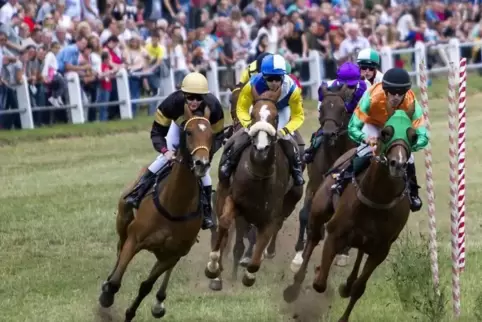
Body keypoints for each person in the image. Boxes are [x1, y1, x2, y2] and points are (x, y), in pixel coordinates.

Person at [124, 72, 225, 229]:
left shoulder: (214, 107)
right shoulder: (171, 103)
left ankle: (206, 212)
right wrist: (165, 151)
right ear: (183, 94)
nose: (194, 101)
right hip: (178, 127)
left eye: (199, 98)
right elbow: (156, 133)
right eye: (190, 97)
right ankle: (138, 192)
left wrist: (206, 153)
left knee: (205, 173)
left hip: (202, 135)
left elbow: (218, 136)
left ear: (205, 97)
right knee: (163, 160)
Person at [331, 68, 428, 212]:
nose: (396, 97)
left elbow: (423, 136)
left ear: (406, 92)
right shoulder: (371, 97)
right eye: (392, 92)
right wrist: (365, 138)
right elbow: (352, 127)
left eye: (400, 93)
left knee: (410, 158)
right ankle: (342, 180)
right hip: (374, 124)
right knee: (363, 152)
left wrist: (407, 146)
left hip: (397, 131)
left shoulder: (411, 101)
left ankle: (413, 193)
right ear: (385, 89)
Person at [219, 54, 305, 186]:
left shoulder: (293, 89)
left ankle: (296, 168)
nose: (274, 83)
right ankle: (230, 161)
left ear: (284, 76)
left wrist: (285, 130)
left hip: (281, 109)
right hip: (259, 107)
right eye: (270, 79)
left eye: (278, 79)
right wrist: (248, 125)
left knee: (286, 137)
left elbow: (298, 116)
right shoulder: (252, 84)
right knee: (246, 133)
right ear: (263, 76)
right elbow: (241, 108)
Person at [303, 62, 367, 164]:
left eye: (351, 86)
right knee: (322, 133)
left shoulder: (363, 88)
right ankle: (312, 150)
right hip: (334, 116)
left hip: (355, 117)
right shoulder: (326, 88)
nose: (348, 89)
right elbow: (321, 111)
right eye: (345, 85)